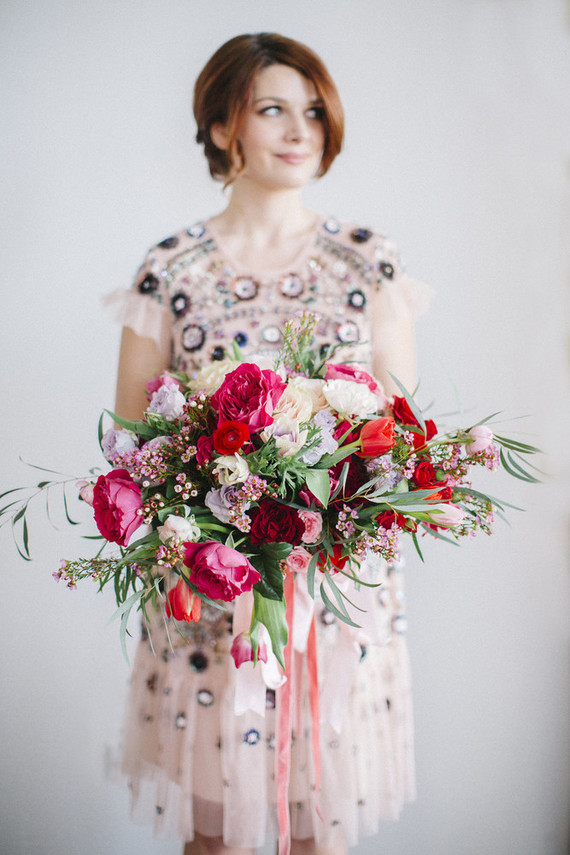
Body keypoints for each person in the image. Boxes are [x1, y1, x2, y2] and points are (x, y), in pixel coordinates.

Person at [107, 32, 427, 855]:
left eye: (314, 110)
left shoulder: (367, 263)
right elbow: (134, 451)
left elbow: (400, 441)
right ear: (222, 128)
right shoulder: (170, 271)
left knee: (316, 824)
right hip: (213, 595)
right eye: (274, 109)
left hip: (337, 592)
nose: (301, 130)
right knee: (214, 832)